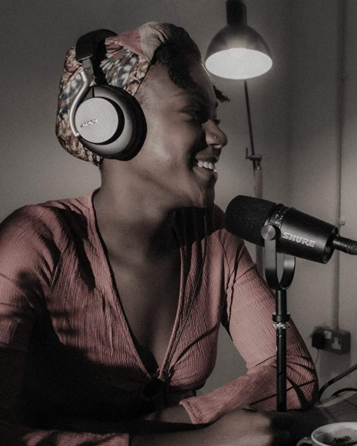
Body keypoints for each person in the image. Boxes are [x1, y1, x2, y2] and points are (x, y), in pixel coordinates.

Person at [0, 23, 318, 446]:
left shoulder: (213, 235)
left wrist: (156, 427)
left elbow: (292, 371)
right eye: (194, 114)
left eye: (216, 119)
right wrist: (196, 441)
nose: (219, 136)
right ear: (109, 124)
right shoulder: (34, 240)